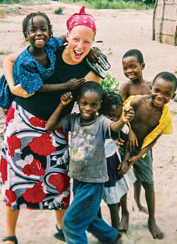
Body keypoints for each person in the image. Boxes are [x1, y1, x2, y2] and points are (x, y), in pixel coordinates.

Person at [0, 7, 101, 244]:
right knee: (15, 178)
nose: (80, 46)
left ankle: (60, 227)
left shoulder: (91, 71)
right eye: (76, 39)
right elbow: (9, 60)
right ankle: (10, 234)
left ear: (94, 43)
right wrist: (13, 86)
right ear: (67, 36)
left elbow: (91, 107)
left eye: (87, 42)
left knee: (59, 179)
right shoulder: (50, 49)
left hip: (56, 129)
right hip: (22, 121)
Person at [45, 81, 135, 244]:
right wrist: (62, 104)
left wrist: (122, 119)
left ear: (99, 106)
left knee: (71, 222)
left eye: (93, 105)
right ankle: (112, 237)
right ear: (78, 101)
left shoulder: (101, 122)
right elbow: (49, 125)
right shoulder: (73, 120)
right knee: (88, 216)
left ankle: (110, 237)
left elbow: (114, 127)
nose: (88, 108)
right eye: (84, 103)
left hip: (93, 180)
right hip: (78, 178)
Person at [119, 71, 177, 240]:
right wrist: (129, 131)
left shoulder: (165, 117)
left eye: (167, 94)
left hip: (143, 151)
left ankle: (152, 219)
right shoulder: (137, 101)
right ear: (151, 87)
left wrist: (139, 157)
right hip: (123, 145)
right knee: (122, 180)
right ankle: (125, 214)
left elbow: (154, 140)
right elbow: (121, 116)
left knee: (149, 184)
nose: (161, 96)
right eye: (157, 90)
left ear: (173, 96)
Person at [99, 91, 136, 232]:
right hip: (96, 167)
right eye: (110, 115)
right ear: (100, 112)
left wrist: (126, 161)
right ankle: (101, 227)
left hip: (112, 164)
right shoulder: (96, 124)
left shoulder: (121, 126)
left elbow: (128, 144)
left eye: (117, 116)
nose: (114, 119)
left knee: (114, 198)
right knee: (96, 201)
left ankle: (117, 225)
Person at [120, 49, 152, 214]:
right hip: (127, 137)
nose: (129, 71)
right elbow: (120, 113)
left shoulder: (150, 87)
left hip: (144, 140)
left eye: (133, 66)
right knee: (124, 173)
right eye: (125, 68)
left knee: (141, 174)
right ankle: (125, 210)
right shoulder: (126, 88)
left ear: (142, 65)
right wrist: (130, 131)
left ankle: (138, 202)